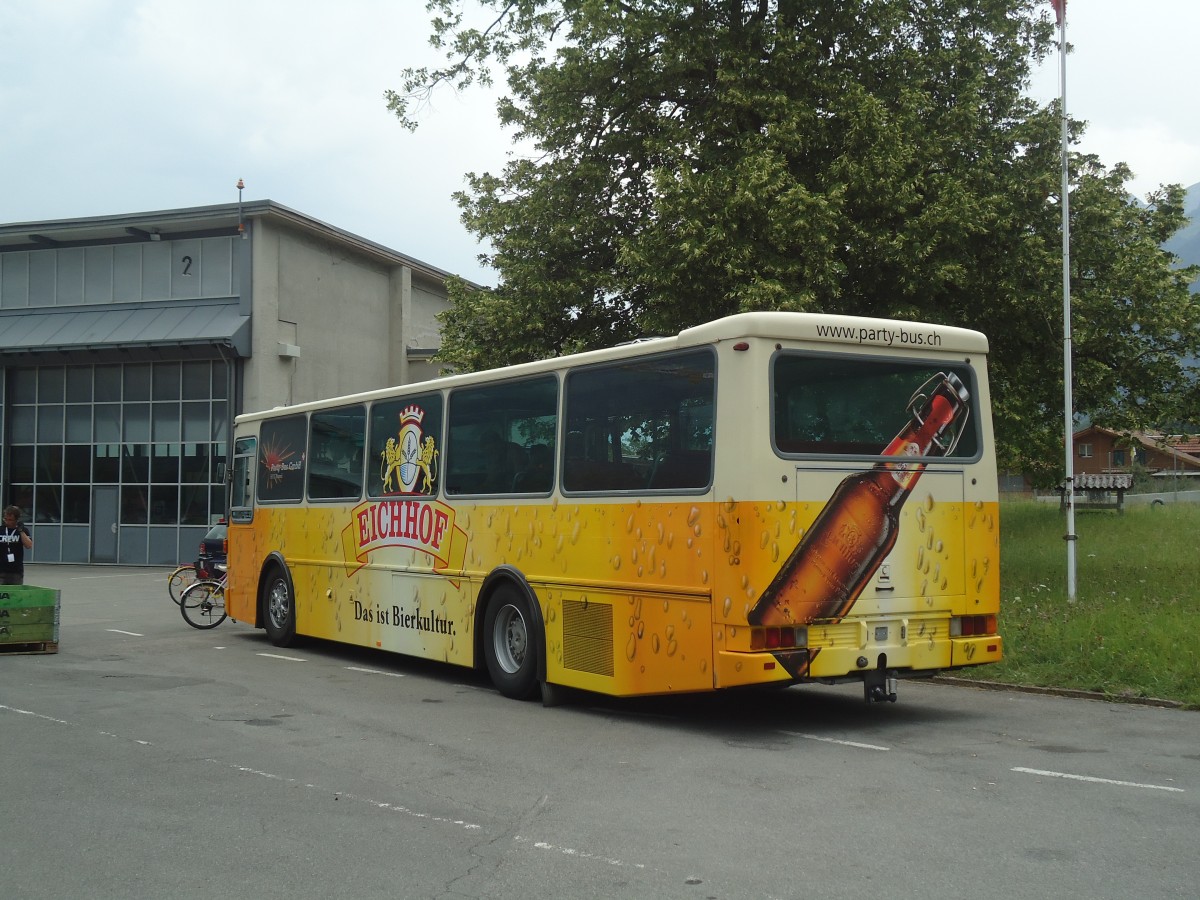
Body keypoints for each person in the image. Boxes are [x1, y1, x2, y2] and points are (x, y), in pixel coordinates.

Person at [1, 505, 34, 585]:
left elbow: (29, 545)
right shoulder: (1, 530)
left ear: (16, 520)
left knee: (15, 595)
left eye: (10, 520)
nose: (7, 522)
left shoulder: (22, 530)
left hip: (16, 571)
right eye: (5, 519)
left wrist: (21, 531)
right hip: (1, 570)